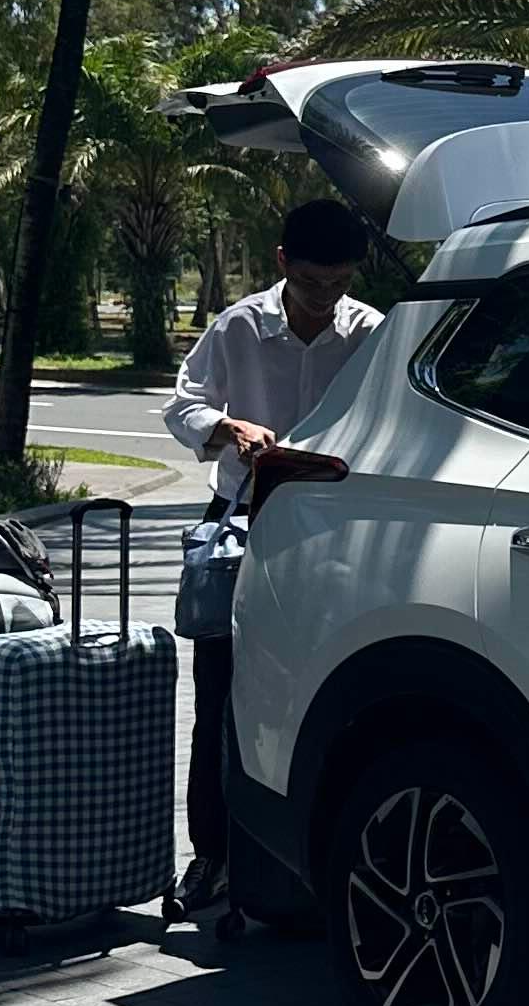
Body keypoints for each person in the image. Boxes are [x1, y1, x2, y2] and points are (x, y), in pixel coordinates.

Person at [163, 201, 383, 911]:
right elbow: (182, 404)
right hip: (242, 526)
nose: (326, 298)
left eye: (339, 284)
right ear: (283, 262)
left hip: (333, 535)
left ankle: (308, 867)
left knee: (323, 695)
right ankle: (210, 856)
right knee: (220, 691)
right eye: (313, 282)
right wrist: (227, 426)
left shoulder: (370, 333)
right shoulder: (240, 326)